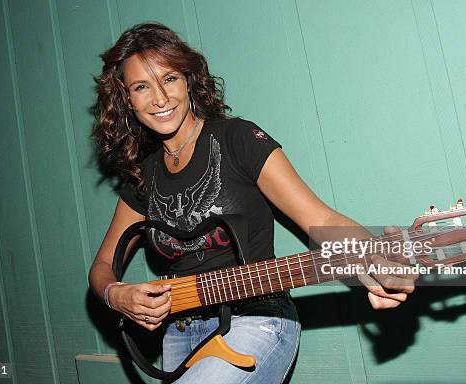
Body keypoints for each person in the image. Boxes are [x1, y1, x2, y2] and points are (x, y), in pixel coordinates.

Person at [88, 22, 417, 384]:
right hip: (178, 334)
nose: (160, 99)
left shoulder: (238, 138)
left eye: (169, 79)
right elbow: (103, 265)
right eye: (141, 87)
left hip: (256, 319)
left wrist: (372, 252)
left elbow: (320, 216)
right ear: (127, 100)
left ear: (187, 80)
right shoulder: (143, 177)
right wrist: (116, 295)